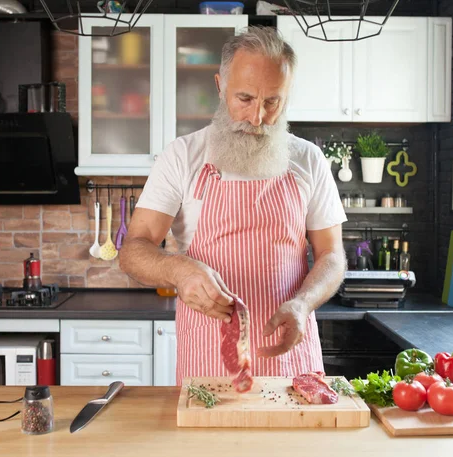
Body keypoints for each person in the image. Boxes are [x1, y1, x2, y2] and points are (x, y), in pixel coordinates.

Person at [120, 26, 347, 385]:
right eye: (245, 98)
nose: (257, 118)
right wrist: (178, 271)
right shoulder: (183, 156)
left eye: (273, 102)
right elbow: (133, 249)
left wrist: (304, 303)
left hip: (291, 364)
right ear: (220, 86)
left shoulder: (308, 159)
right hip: (209, 364)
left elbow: (332, 256)